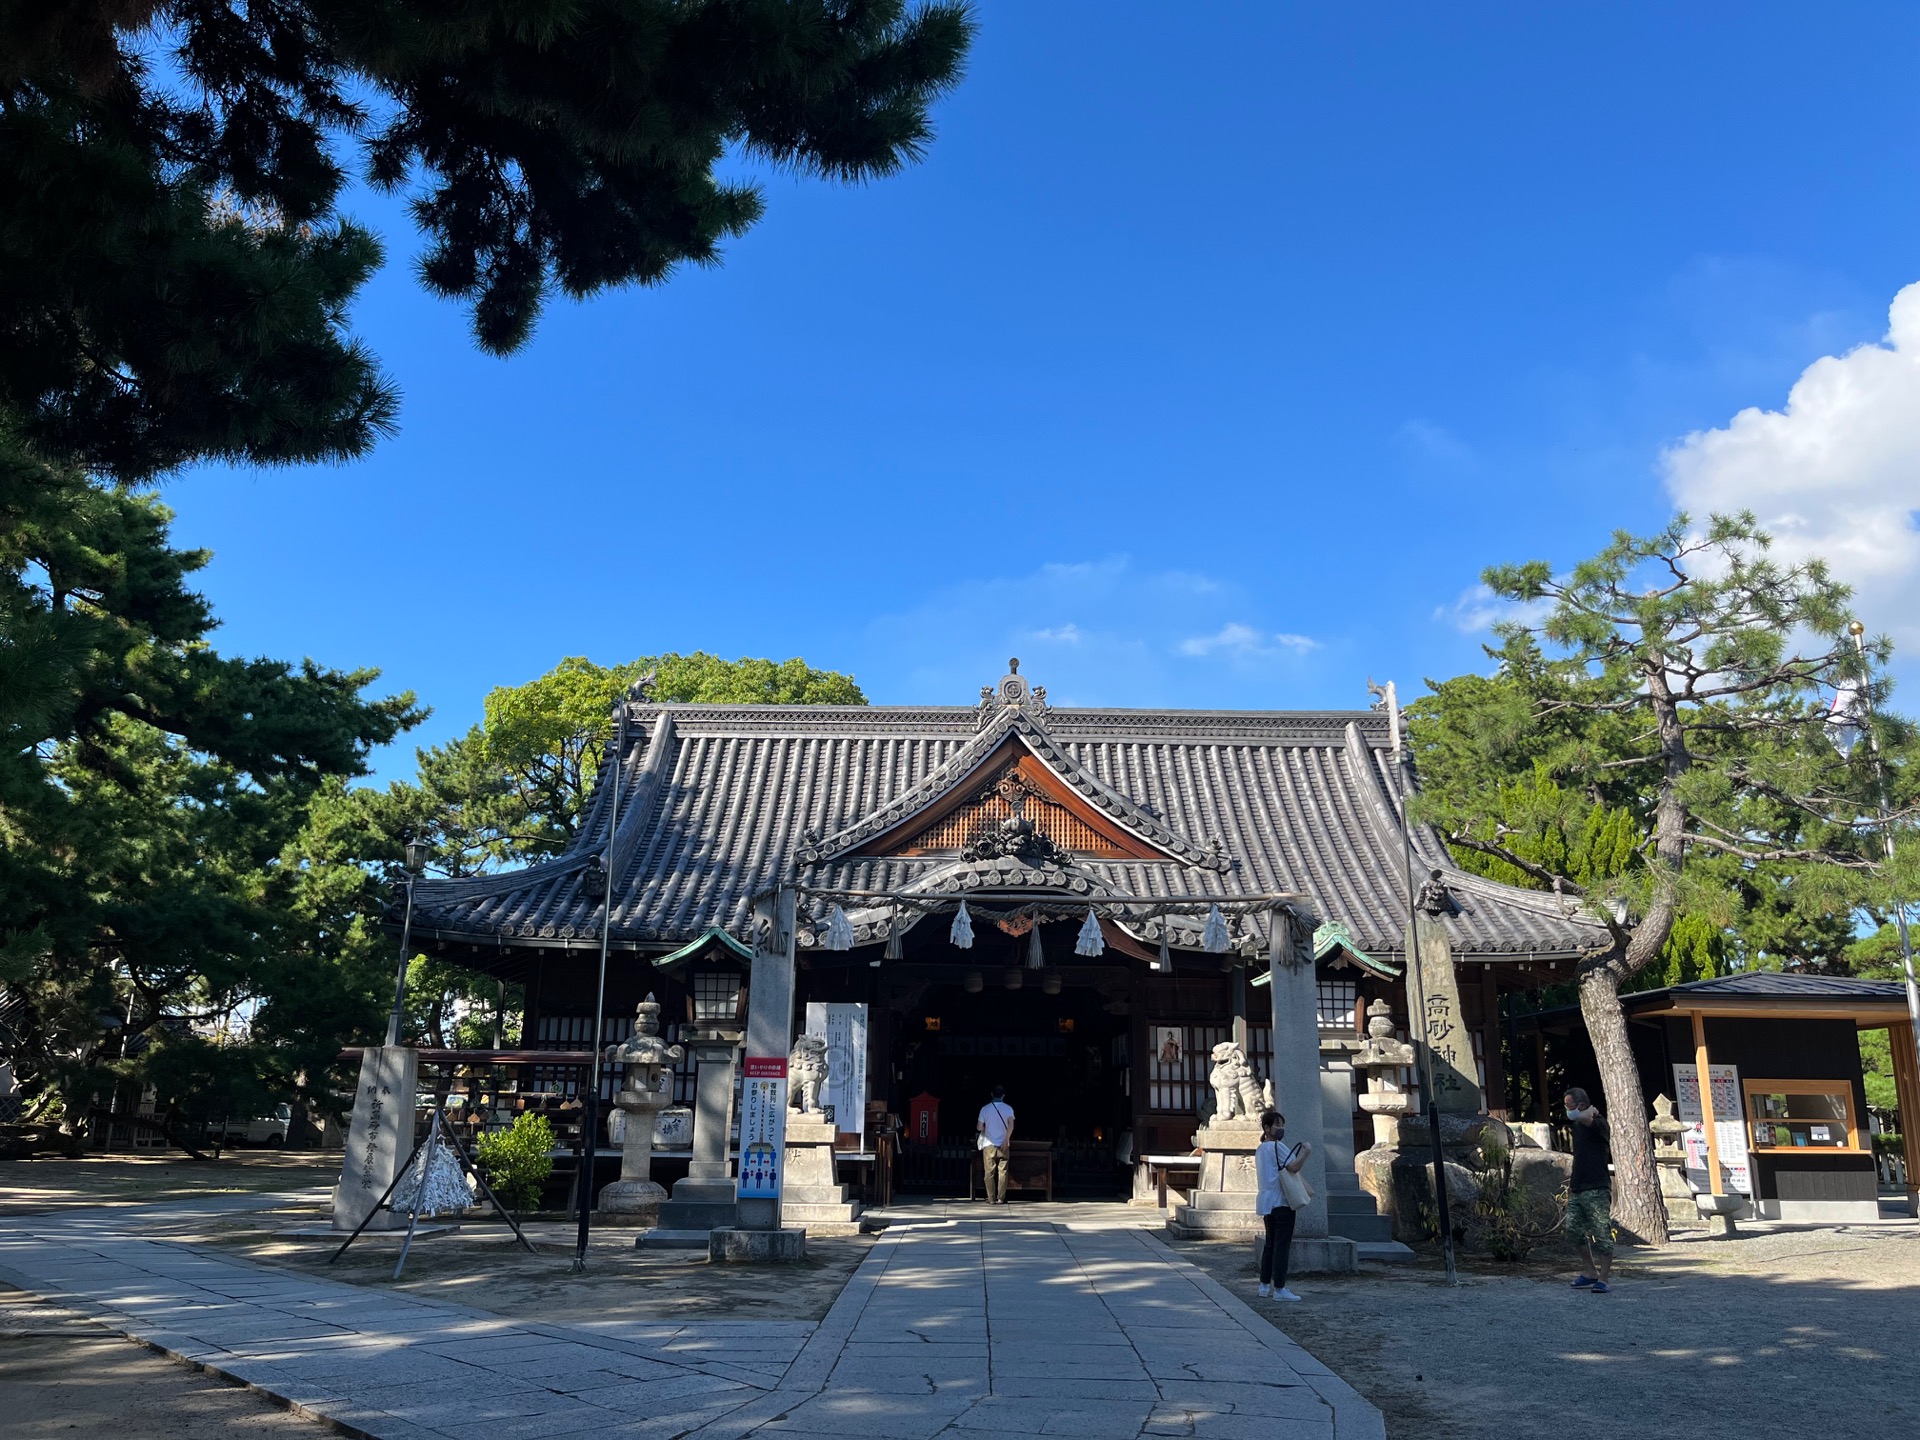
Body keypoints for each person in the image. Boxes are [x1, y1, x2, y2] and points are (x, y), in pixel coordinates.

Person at [1254, 1108, 1309, 1301]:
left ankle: (1263, 1286)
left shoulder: (1260, 1148)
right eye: (1277, 1124)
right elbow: (1293, 1167)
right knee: (1281, 1246)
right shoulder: (1278, 1147)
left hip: (1267, 1201)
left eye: (1282, 1124)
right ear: (1267, 1128)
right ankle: (1279, 1288)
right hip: (1282, 1201)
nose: (1280, 1128)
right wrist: (1305, 1152)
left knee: (1270, 1245)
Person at [1564, 1087, 1615, 1294]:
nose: (1567, 1110)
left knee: (1601, 1232)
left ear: (1581, 1105)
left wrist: (1591, 1111)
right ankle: (1591, 1271)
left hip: (1597, 1187)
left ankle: (1604, 1277)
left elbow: (1588, 1119)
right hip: (1578, 1186)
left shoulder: (1599, 1124)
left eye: (1569, 1105)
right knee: (1573, 1230)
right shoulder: (1578, 1124)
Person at [977, 1085, 1015, 1205]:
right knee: (1003, 1171)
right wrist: (1007, 1139)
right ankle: (1001, 1198)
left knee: (989, 1172)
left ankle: (991, 1198)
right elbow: (1011, 1125)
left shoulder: (985, 1109)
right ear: (1003, 1095)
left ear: (992, 1095)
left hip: (989, 1144)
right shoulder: (1008, 1109)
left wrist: (985, 1127)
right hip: (1003, 1144)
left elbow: (979, 1127)